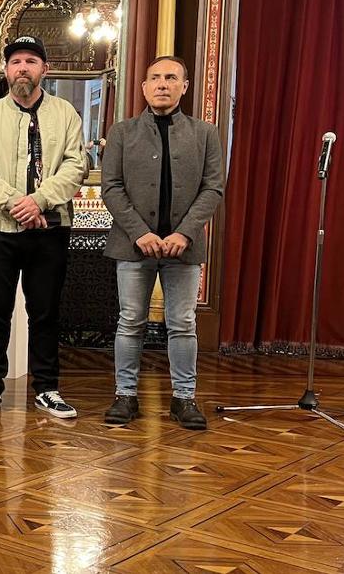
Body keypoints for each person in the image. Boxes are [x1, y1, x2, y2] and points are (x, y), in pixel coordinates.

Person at [0, 35, 86, 418]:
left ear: (44, 70)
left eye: (31, 61)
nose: (23, 68)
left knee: (45, 310)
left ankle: (47, 388)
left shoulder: (66, 113)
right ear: (6, 70)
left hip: (50, 229)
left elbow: (75, 165)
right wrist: (17, 202)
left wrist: (40, 200)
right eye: (16, 61)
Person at [102, 56, 224, 430]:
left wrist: (183, 233)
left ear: (184, 87)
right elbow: (112, 188)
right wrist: (141, 232)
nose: (162, 84)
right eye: (154, 77)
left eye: (171, 78)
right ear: (143, 87)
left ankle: (183, 399)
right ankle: (126, 395)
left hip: (183, 248)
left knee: (183, 323)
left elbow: (213, 188)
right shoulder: (122, 132)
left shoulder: (205, 133)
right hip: (133, 245)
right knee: (130, 322)